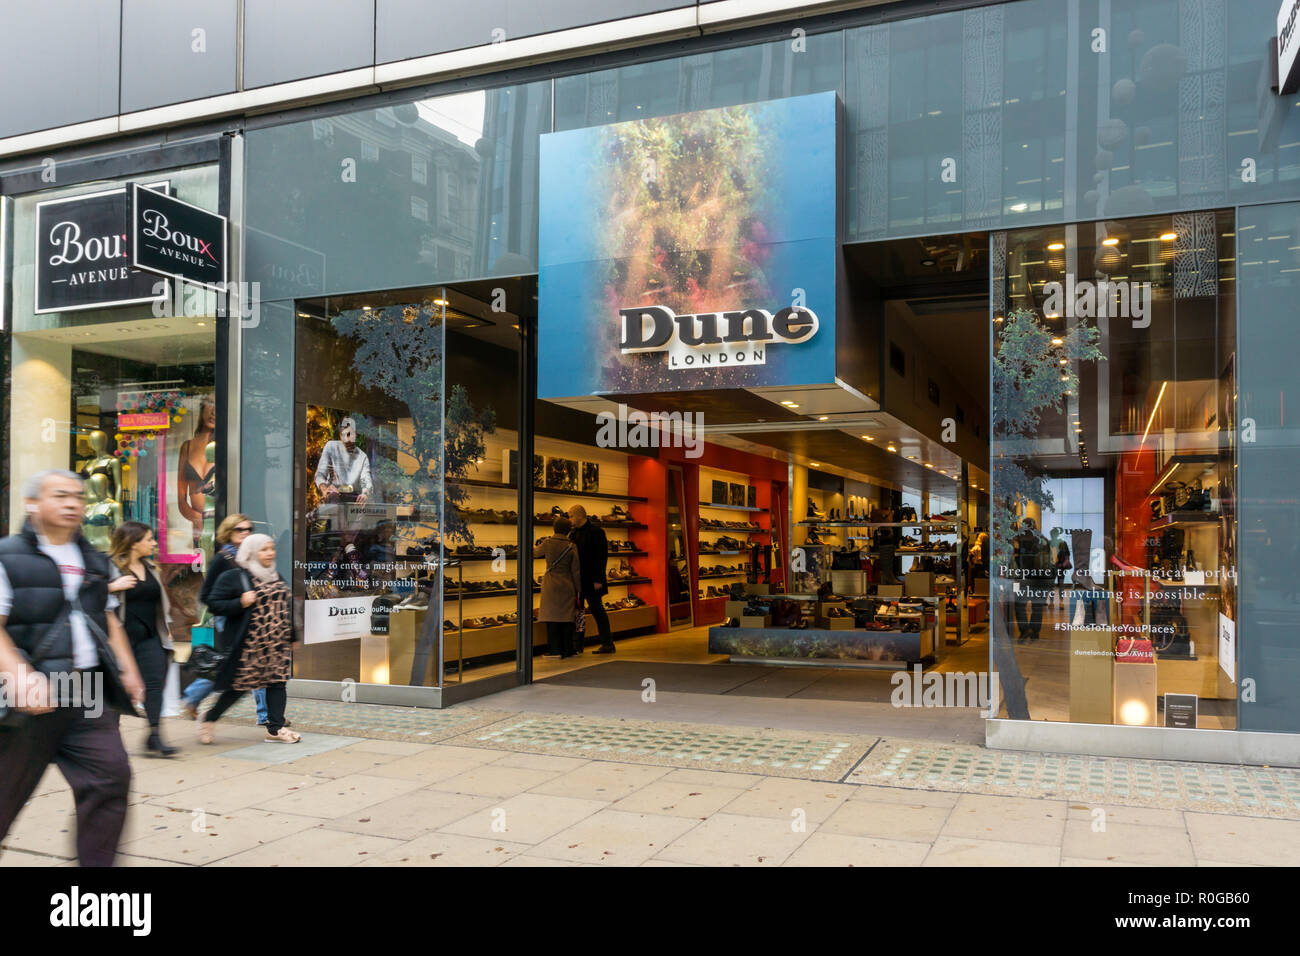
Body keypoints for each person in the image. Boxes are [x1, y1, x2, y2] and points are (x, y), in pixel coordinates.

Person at [0, 470, 145, 867]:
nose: (72, 504)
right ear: (33, 504)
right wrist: (18, 673)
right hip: (26, 697)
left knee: (110, 780)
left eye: (78, 497)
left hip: (88, 691)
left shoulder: (95, 560)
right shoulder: (6, 556)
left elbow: (108, 619)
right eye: (60, 496)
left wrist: (128, 671)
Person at [198, 534, 300, 744]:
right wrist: (240, 602)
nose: (270, 553)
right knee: (238, 688)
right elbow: (214, 604)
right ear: (251, 552)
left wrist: (292, 635)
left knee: (277, 683)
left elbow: (284, 607)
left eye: (271, 548)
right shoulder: (236, 576)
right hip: (250, 643)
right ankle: (210, 717)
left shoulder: (274, 575)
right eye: (264, 549)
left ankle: (275, 729)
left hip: (277, 643)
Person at [180, 514, 259, 721]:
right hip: (229, 620)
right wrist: (238, 602)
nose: (246, 533)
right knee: (228, 665)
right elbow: (207, 595)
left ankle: (268, 715)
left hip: (250, 618)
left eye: (249, 529)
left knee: (254, 664)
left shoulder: (252, 556)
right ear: (228, 532)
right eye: (240, 530)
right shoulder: (222, 559)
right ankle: (193, 697)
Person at [108, 522, 176, 757]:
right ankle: (109, 738)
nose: (154, 543)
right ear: (133, 543)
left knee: (154, 684)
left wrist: (166, 629)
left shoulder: (151, 567)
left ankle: (154, 735)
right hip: (119, 639)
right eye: (149, 539)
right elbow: (87, 593)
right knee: (117, 688)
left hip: (150, 636)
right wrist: (112, 586)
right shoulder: (111, 567)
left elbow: (159, 603)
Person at [569, 504, 614, 654]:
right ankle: (578, 645)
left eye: (571, 516)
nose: (570, 519)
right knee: (579, 612)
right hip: (578, 580)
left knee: (597, 610)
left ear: (580, 515)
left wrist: (599, 579)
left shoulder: (597, 532)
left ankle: (607, 643)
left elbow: (602, 557)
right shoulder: (573, 534)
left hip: (593, 579)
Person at [535, 516, 582, 659]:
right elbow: (576, 570)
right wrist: (579, 589)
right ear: (568, 530)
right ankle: (569, 649)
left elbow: (534, 553)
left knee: (552, 617)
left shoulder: (548, 543)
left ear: (554, 528)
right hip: (567, 583)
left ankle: (554, 650)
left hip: (551, 583)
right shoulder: (571, 546)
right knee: (567, 618)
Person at [177, 395, 217, 548]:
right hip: (198, 531)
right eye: (211, 404)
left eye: (219, 405)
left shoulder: (226, 447)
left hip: (221, 524)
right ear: (202, 409)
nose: (213, 412)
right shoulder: (186, 447)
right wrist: (198, 519)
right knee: (200, 568)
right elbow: (181, 500)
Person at [1012, 518, 1050, 642]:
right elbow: (1048, 560)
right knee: (1037, 607)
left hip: (1023, 577)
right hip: (1040, 579)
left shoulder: (1017, 540)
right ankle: (1034, 632)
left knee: (1019, 605)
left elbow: (1013, 559)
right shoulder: (1043, 540)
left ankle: (1025, 630)